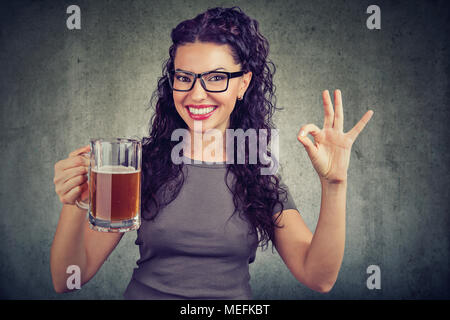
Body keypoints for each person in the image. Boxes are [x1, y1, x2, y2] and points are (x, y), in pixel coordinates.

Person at [51, 7, 373, 299]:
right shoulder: (138, 168)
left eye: (216, 78)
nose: (196, 94)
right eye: (184, 78)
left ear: (243, 83)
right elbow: (67, 279)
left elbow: (318, 277)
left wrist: (335, 184)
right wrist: (75, 203)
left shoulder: (256, 172)